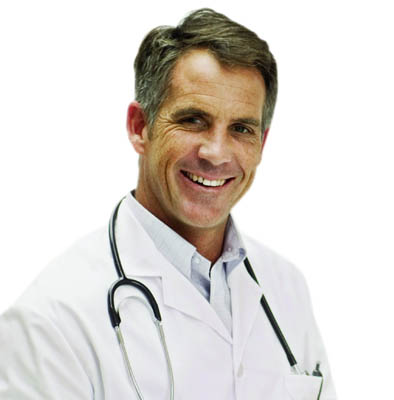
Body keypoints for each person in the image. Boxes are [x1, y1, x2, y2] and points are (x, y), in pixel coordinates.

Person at [0, 8, 337, 399]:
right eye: (193, 120)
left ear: (261, 144)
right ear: (140, 127)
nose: (216, 153)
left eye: (241, 128)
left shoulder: (286, 288)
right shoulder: (50, 324)